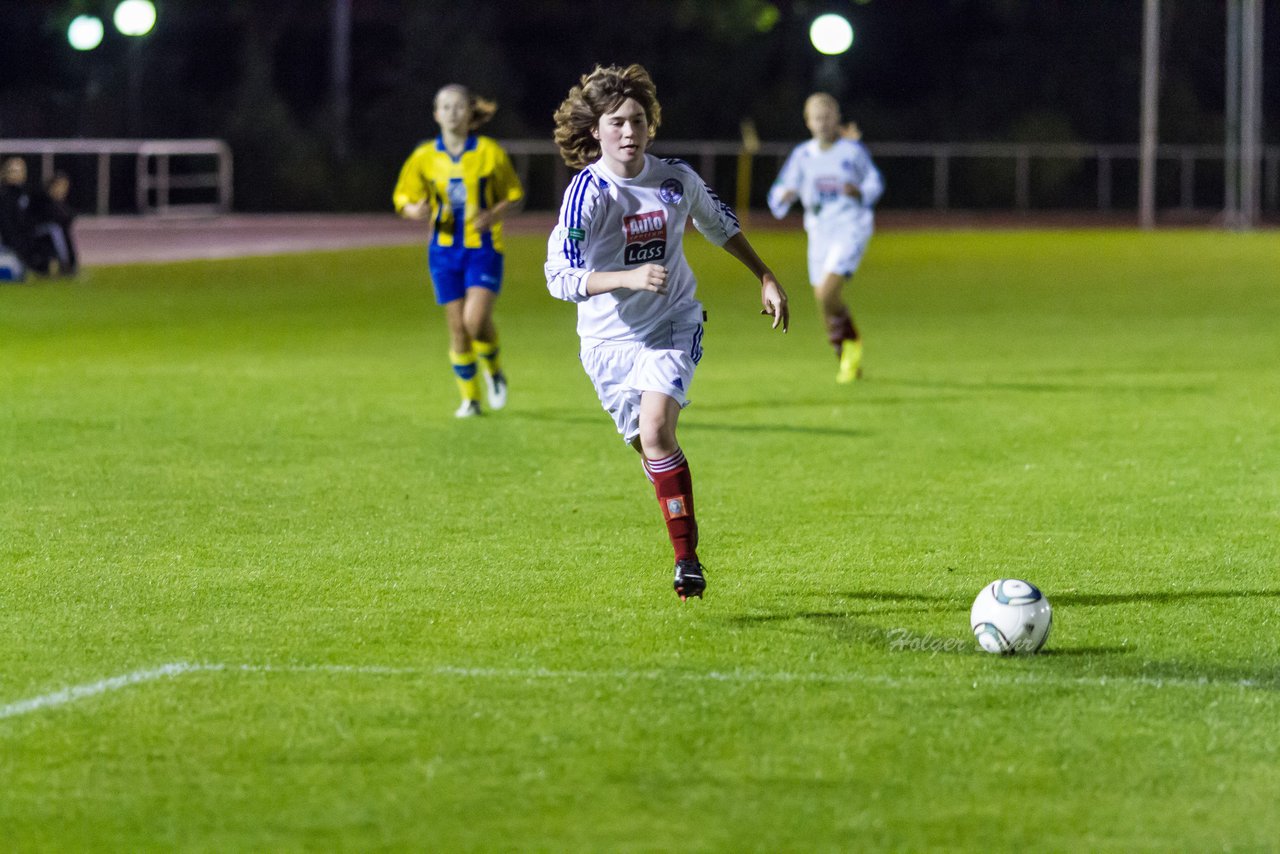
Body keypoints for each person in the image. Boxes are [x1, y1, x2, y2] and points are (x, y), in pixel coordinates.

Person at [545, 64, 789, 601]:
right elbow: (559, 277)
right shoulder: (588, 194)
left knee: (656, 431)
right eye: (616, 124)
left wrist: (765, 275)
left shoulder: (676, 178)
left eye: (636, 121)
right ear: (596, 132)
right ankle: (676, 514)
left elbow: (720, 224)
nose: (628, 132)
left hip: (672, 323)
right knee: (648, 449)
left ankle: (687, 562)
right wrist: (626, 278)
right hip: (607, 343)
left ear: (650, 126)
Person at [393, 84, 525, 417]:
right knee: (457, 328)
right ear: (436, 114)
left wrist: (492, 214)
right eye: (445, 107)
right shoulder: (424, 156)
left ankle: (494, 371)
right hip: (442, 251)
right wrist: (414, 210)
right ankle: (471, 398)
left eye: (459, 107)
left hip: (483, 247)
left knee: (475, 321)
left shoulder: (489, 152)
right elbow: (402, 197)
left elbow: (513, 193)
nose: (452, 112)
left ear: (470, 113)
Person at [768, 93, 883, 384]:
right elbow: (777, 194)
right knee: (825, 302)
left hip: (850, 226)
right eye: (817, 118)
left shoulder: (852, 152)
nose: (823, 123)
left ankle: (853, 344)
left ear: (837, 118)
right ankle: (846, 360)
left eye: (828, 117)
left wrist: (860, 191)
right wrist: (785, 195)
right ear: (808, 122)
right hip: (819, 233)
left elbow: (874, 182)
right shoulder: (803, 156)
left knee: (827, 293)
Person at [29, 171, 78, 276]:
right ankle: (65, 264)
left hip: (49, 235)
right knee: (55, 229)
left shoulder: (61, 203)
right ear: (52, 186)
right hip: (34, 232)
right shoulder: (41, 199)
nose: (63, 190)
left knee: (62, 232)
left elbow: (68, 218)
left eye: (65, 187)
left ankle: (70, 264)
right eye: (60, 186)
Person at [0, 157, 35, 270]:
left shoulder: (26, 193)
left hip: (24, 240)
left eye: (19, 171)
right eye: (12, 171)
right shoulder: (4, 195)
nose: (16, 175)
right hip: (8, 242)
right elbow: (6, 223)